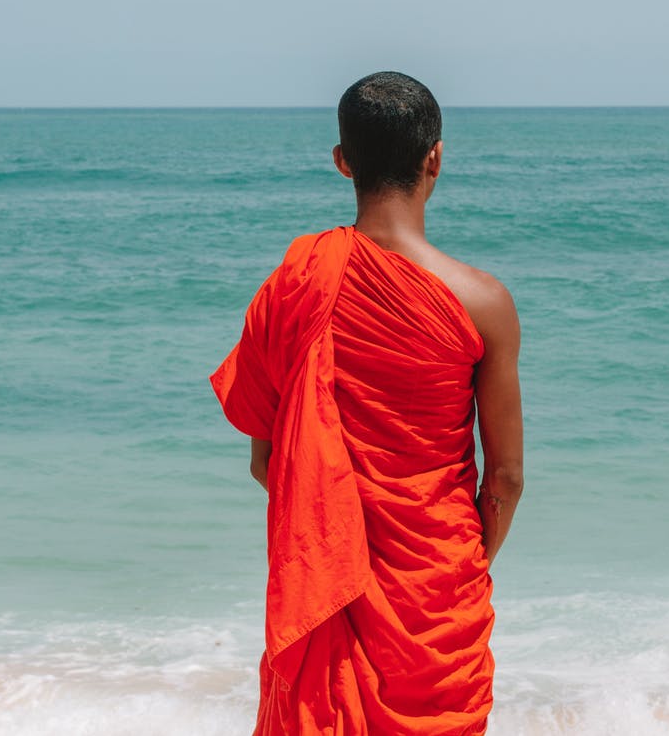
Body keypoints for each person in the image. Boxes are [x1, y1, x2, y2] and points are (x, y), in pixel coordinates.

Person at [211, 71, 525, 736]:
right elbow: (504, 480)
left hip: (327, 589)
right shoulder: (485, 302)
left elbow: (266, 463)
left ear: (342, 160)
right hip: (438, 596)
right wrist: (459, 565)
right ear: (435, 156)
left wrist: (337, 544)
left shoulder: (295, 281)